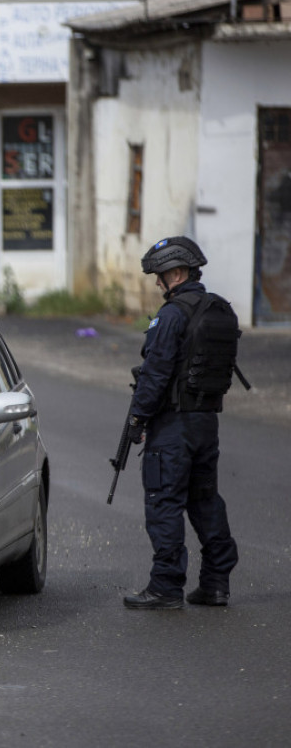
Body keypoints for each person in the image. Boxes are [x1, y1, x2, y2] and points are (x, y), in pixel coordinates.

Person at [122, 236, 239, 610]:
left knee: (164, 501)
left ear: (177, 272)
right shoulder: (218, 309)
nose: (157, 283)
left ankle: (166, 587)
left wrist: (138, 418)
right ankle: (216, 583)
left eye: (160, 275)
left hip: (172, 426)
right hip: (207, 423)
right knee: (205, 500)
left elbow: (155, 374)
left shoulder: (172, 315)